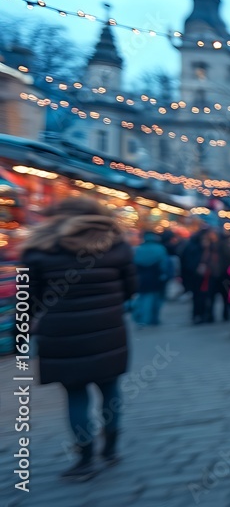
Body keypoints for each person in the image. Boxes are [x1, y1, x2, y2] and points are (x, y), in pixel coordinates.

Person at [20, 197, 135, 481]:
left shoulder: (37, 249)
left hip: (62, 335)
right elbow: (131, 289)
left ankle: (85, 460)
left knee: (75, 395)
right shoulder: (117, 245)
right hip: (108, 329)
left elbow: (26, 300)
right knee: (110, 389)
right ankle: (110, 448)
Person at [132, 230, 171, 327]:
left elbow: (134, 264)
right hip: (156, 277)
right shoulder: (160, 249)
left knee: (143, 298)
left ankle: (143, 318)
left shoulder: (139, 249)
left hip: (142, 278)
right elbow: (164, 264)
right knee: (156, 298)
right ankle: (153, 319)